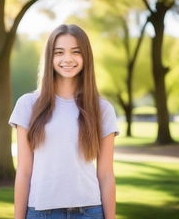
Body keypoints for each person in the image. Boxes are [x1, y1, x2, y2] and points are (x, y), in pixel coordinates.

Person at [8, 24, 120, 219]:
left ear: (86, 57)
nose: (67, 59)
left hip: (90, 211)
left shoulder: (102, 109)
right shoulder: (27, 104)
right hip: (40, 212)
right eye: (59, 52)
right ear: (49, 57)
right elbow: (24, 172)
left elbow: (106, 174)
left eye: (76, 52)